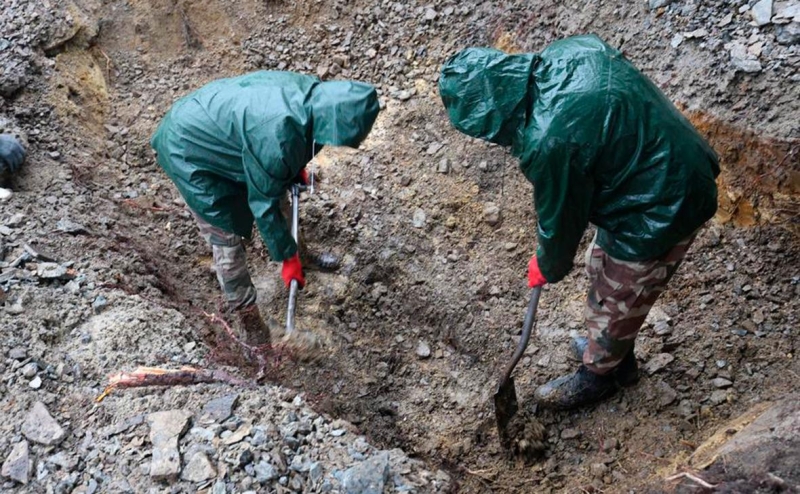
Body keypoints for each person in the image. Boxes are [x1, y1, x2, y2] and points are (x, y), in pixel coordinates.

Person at [439, 35, 719, 410]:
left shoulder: (549, 142)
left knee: (621, 293)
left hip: (663, 206)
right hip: (656, 162)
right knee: (600, 267)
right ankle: (612, 348)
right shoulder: (570, 51)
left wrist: (547, 263)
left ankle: (604, 375)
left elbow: (561, 221)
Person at [151, 71, 379, 347]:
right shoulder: (278, 134)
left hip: (224, 128)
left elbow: (291, 149)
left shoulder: (314, 97)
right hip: (189, 149)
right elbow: (264, 205)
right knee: (227, 233)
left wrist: (294, 168)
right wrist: (286, 259)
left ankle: (301, 253)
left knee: (277, 185)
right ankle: (251, 327)